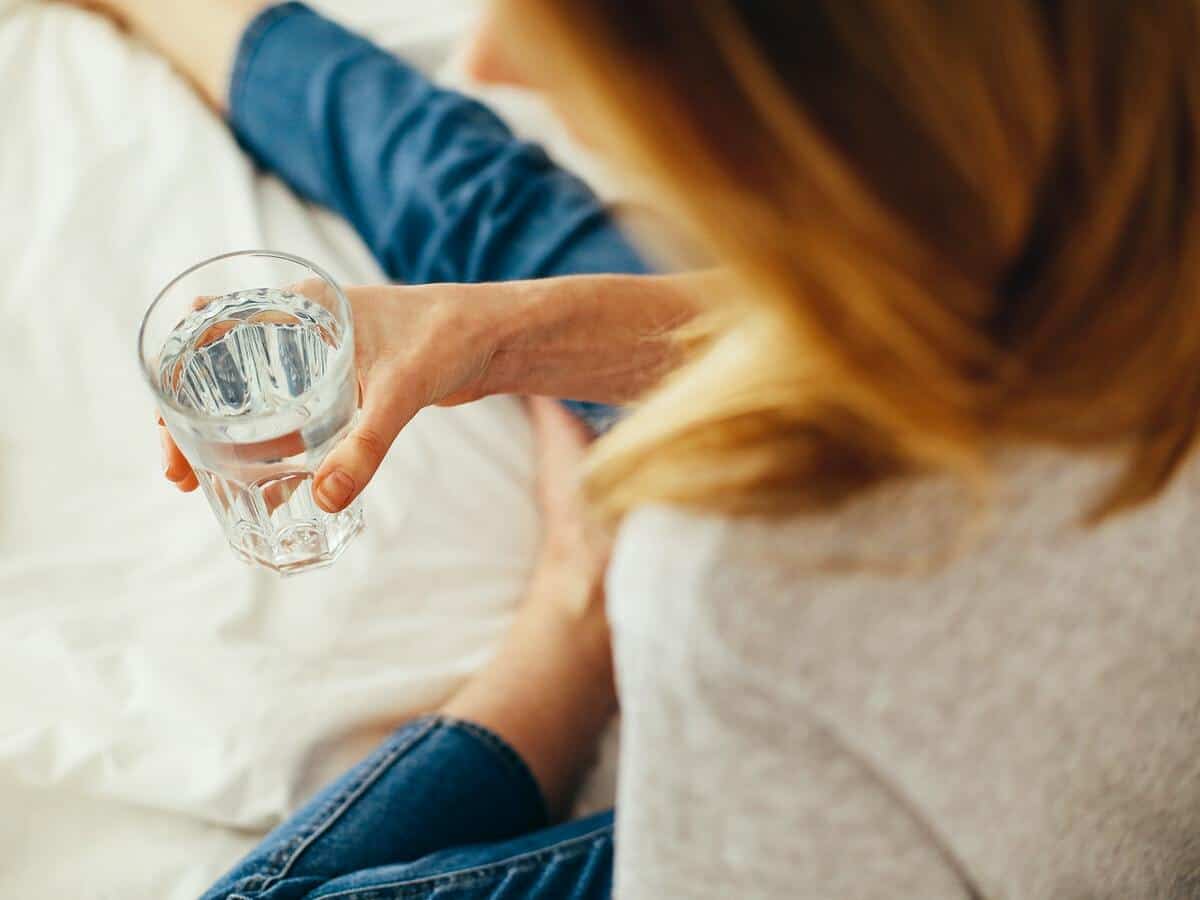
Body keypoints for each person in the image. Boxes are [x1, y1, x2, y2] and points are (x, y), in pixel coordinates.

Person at [67, 1, 1200, 898]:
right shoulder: (1124, 148)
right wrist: (509, 336)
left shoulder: (745, 593)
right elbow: (962, 328)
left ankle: (571, 616)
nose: (494, 51)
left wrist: (626, 597)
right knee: (499, 251)